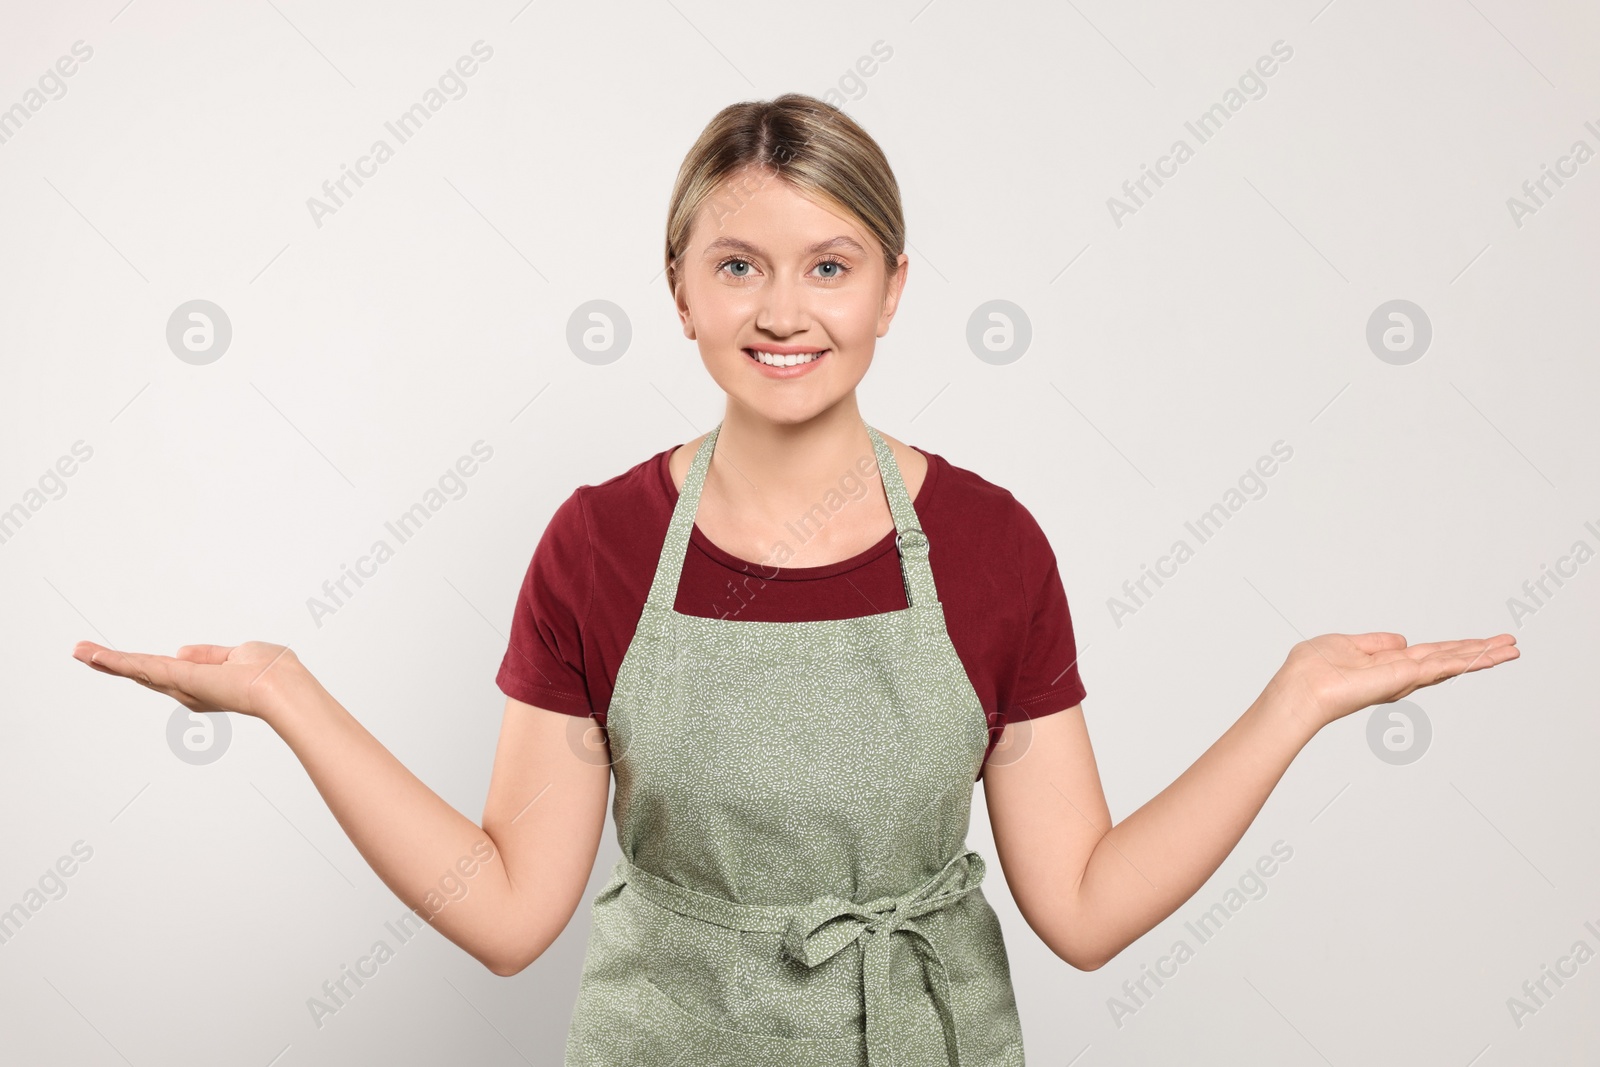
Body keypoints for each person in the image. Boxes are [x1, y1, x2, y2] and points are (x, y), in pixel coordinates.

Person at [70, 94, 1519, 1066]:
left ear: (893, 290)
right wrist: (285, 693)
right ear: (682, 289)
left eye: (830, 266)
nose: (783, 310)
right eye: (740, 265)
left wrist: (1292, 702)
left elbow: (1078, 905)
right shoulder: (600, 545)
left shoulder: (995, 546)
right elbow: (511, 911)